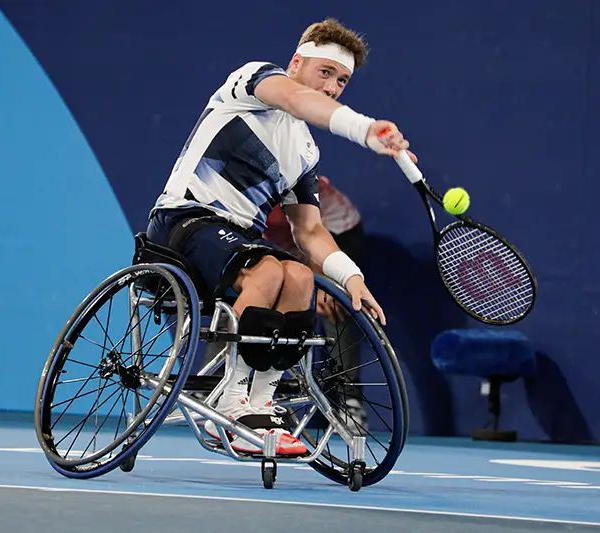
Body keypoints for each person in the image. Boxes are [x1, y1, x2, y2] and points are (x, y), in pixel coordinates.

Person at [146, 18, 415, 456]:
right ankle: (231, 401)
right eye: (324, 72)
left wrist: (351, 278)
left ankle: (260, 402)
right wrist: (365, 130)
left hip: (237, 242)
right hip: (183, 222)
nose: (331, 87)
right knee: (269, 270)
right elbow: (296, 98)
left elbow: (309, 231)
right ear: (296, 62)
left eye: (342, 80)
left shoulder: (304, 151)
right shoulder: (253, 82)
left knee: (301, 278)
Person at [264, 176, 369, 431]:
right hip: (287, 236)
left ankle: (349, 398)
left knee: (334, 305)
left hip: (336, 234)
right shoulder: (251, 185)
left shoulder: (297, 182)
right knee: (257, 292)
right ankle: (215, 384)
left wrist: (323, 281)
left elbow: (312, 235)